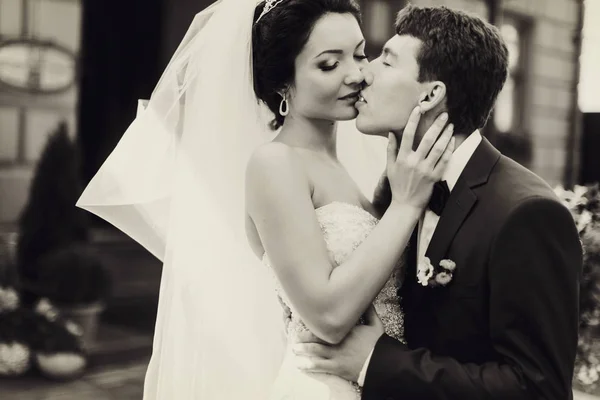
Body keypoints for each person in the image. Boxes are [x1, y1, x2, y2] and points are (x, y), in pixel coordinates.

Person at [76, 0, 453, 398]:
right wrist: (406, 206)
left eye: (360, 55)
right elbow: (327, 315)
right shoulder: (275, 163)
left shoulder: (360, 163)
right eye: (329, 64)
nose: (357, 75)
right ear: (282, 84)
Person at [293, 5, 583, 400]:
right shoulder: (395, 187)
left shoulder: (527, 213)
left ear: (430, 95)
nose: (364, 73)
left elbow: (539, 389)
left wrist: (376, 362)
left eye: (387, 61)